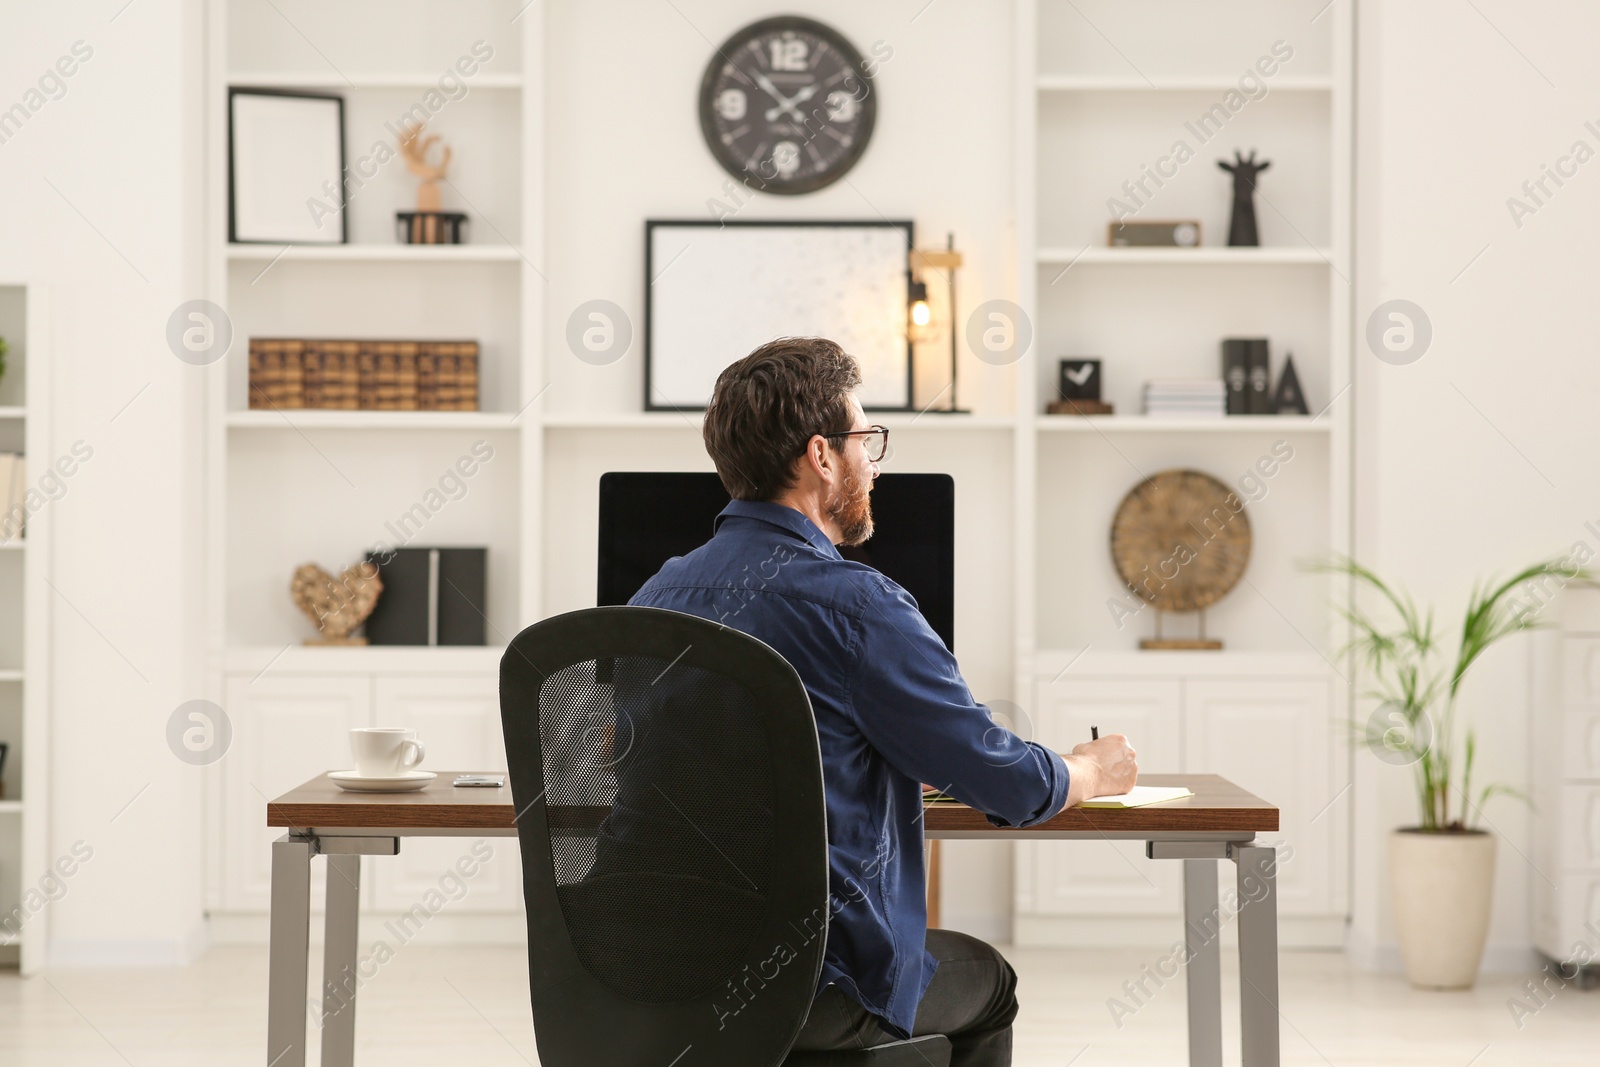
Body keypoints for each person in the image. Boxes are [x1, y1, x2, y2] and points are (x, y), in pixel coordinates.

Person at [629, 337, 1138, 1066]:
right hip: (815, 982)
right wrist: (1088, 768)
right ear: (822, 456)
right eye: (866, 439)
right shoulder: (859, 604)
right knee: (987, 981)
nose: (874, 462)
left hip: (655, 975)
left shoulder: (656, 594)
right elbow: (1011, 783)